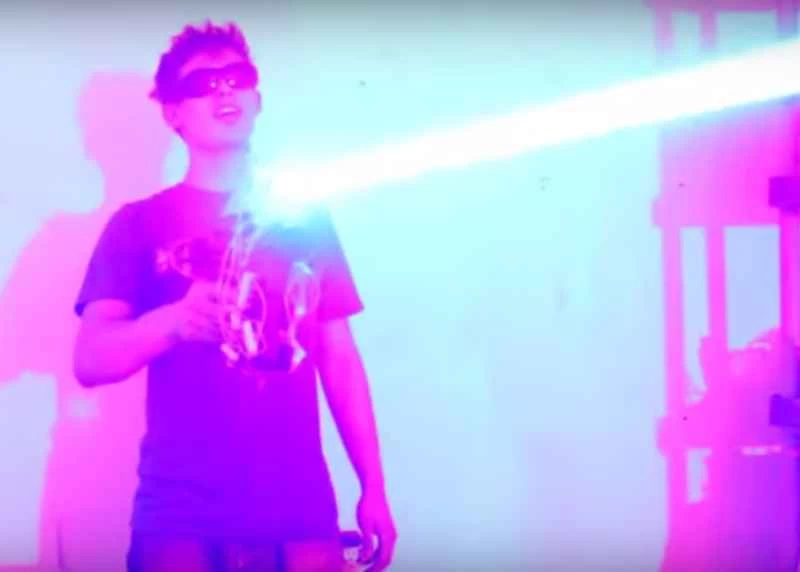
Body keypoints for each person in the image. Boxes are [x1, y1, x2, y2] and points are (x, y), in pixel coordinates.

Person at [71, 21, 396, 572]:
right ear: (172, 113)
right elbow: (90, 360)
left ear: (257, 97)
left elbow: (339, 358)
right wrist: (174, 321)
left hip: (301, 515)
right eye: (203, 83)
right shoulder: (136, 226)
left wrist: (374, 489)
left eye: (237, 77)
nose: (224, 89)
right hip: (180, 523)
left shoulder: (303, 219)